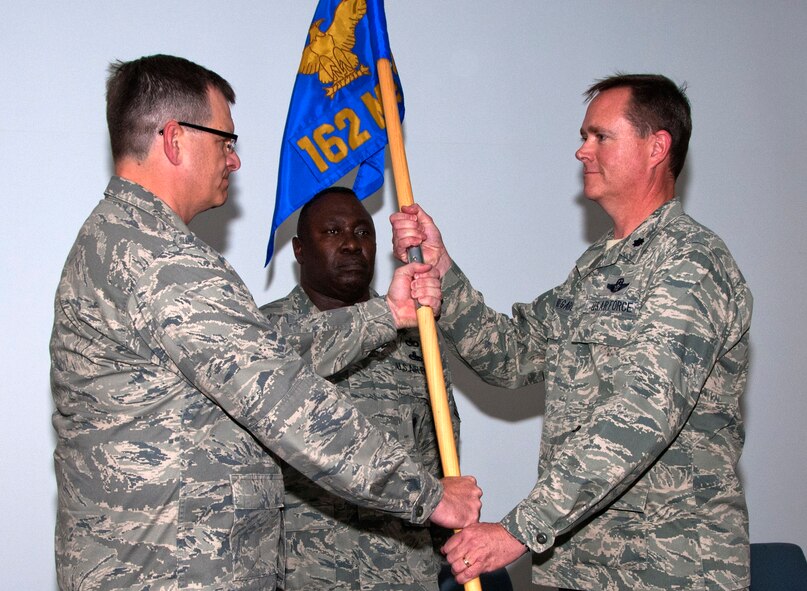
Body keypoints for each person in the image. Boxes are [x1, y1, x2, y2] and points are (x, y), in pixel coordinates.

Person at [50, 54, 481, 591]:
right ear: (175, 138)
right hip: (172, 572)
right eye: (225, 141)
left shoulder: (121, 238)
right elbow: (285, 400)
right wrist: (428, 493)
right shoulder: (161, 260)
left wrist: (384, 316)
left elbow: (261, 354)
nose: (234, 161)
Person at [392, 74, 752, 591]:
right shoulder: (597, 269)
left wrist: (518, 530)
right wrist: (443, 269)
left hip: (668, 569)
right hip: (576, 566)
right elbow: (512, 356)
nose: (582, 151)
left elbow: (641, 416)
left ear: (657, 147)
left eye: (600, 136)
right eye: (585, 136)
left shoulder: (691, 263)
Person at [259, 187, 460, 590]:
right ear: (299, 250)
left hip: (402, 572)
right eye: (332, 232)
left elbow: (438, 453)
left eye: (362, 232)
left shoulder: (416, 335)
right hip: (301, 573)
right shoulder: (263, 335)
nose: (352, 244)